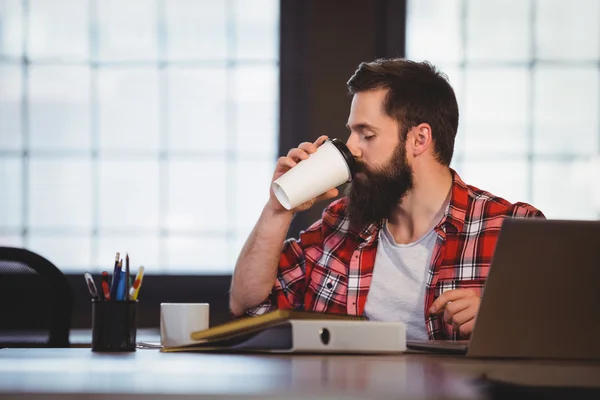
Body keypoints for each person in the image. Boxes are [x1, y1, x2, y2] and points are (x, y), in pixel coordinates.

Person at [229, 58, 544, 341]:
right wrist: (278, 209)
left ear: (419, 139)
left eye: (367, 134)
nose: (352, 148)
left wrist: (500, 322)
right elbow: (248, 305)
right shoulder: (340, 223)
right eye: (352, 133)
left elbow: (570, 335)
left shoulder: (514, 229)